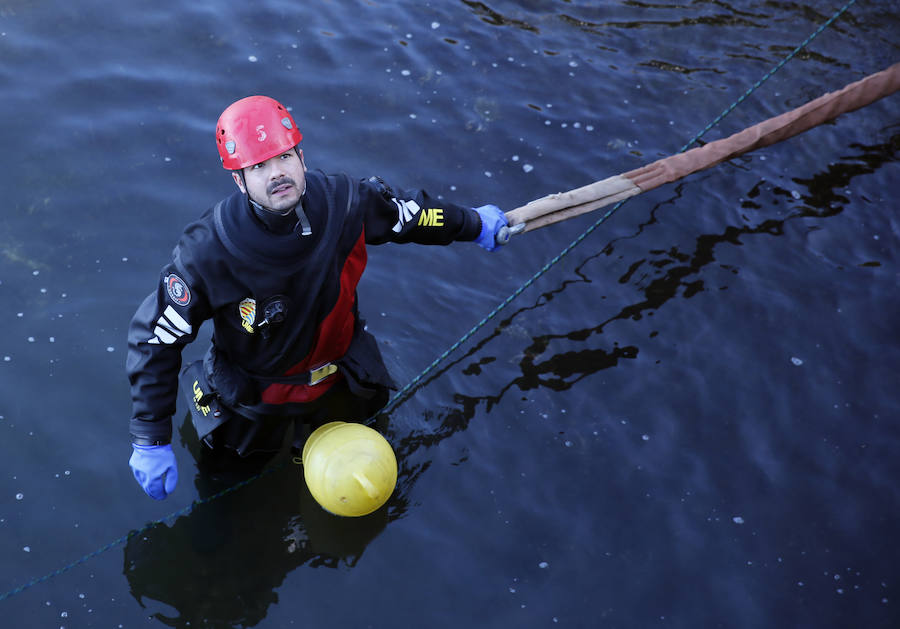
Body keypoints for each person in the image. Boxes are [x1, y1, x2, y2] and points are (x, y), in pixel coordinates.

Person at [126, 95, 508, 500]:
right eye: (258, 166)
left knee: (380, 474)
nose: (277, 173)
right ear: (239, 181)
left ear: (301, 157)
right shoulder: (209, 253)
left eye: (285, 157)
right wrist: (150, 436)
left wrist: (473, 223)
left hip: (340, 377)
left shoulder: (347, 203)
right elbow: (156, 338)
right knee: (232, 494)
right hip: (256, 399)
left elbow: (409, 217)